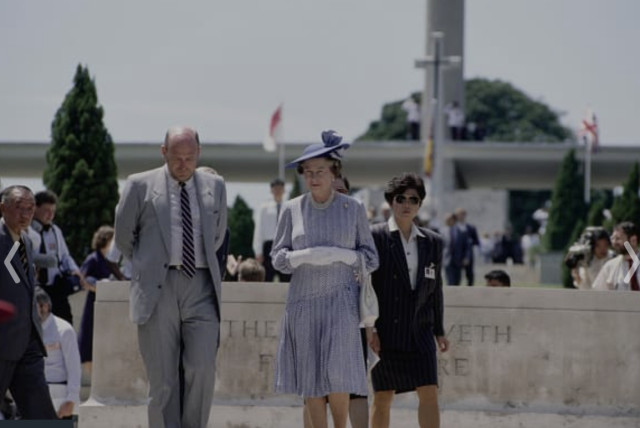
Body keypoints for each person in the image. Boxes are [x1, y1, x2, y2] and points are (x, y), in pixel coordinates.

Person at [114, 126, 227, 428]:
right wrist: (149, 264)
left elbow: (216, 236)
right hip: (156, 289)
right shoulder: (139, 185)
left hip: (201, 285)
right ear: (163, 152)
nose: (183, 164)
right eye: (177, 157)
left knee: (202, 368)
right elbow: (124, 237)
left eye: (190, 158)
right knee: (163, 380)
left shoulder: (215, 186)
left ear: (198, 154)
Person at [270, 130, 379, 428]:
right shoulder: (292, 209)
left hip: (342, 304)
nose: (314, 176)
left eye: (321, 170)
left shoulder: (353, 208)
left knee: (339, 375)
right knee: (311, 380)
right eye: (309, 171)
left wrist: (343, 256)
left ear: (334, 172)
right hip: (303, 304)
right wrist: (302, 257)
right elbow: (277, 258)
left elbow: (371, 258)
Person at [369, 173, 449, 428]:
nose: (406, 204)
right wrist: (370, 328)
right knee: (383, 396)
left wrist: (439, 330)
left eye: (413, 199)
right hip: (386, 331)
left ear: (420, 204)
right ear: (391, 201)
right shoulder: (375, 237)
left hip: (420, 331)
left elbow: (436, 288)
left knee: (429, 393)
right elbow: (366, 287)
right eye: (400, 198)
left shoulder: (433, 242)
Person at [0, 185, 57, 420]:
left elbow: (18, 283)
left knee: (42, 415)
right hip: (2, 341)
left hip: (28, 342)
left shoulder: (27, 242)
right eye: (18, 207)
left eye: (30, 209)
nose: (25, 214)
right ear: (2, 208)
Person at [28, 190, 87, 324]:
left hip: (56, 287)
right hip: (37, 287)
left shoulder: (55, 231)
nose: (50, 215)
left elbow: (65, 256)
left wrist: (75, 271)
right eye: (46, 210)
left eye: (53, 211)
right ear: (35, 208)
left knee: (65, 322)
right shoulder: (27, 231)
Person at [78, 226, 121, 377]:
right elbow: (82, 279)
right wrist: (100, 288)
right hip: (94, 306)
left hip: (111, 308)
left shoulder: (113, 261)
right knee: (89, 343)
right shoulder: (93, 258)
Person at [35, 287, 81, 419]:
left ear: (44, 307)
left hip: (59, 397)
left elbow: (74, 368)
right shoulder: (29, 330)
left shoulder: (64, 330)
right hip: (35, 395)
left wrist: (71, 399)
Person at [253, 178, 290, 283]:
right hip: (269, 246)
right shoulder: (264, 208)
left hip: (285, 245)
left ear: (284, 190)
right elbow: (259, 229)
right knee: (267, 278)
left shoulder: (289, 206)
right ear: (271, 190)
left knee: (286, 278)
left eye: (280, 188)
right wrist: (258, 251)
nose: (278, 190)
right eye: (275, 188)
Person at [592, 222, 639, 291]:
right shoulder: (610, 267)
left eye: (618, 239)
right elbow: (596, 293)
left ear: (633, 240)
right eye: (613, 238)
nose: (614, 242)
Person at [448, 208, 480, 285]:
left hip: (468, 254)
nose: (461, 216)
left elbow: (476, 241)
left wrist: (469, 245)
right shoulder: (452, 227)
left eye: (462, 214)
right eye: (459, 215)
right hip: (456, 254)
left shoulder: (470, 227)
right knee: (456, 275)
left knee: (469, 273)